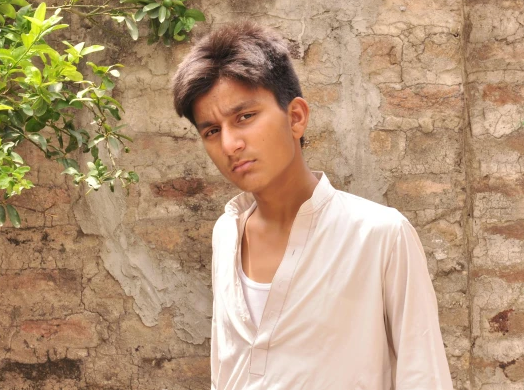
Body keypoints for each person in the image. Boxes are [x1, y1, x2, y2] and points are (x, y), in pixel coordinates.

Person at [171, 22, 454, 390]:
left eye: (245, 117)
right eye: (211, 130)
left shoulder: (380, 235)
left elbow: (424, 377)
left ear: (296, 117)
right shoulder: (227, 232)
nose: (229, 144)